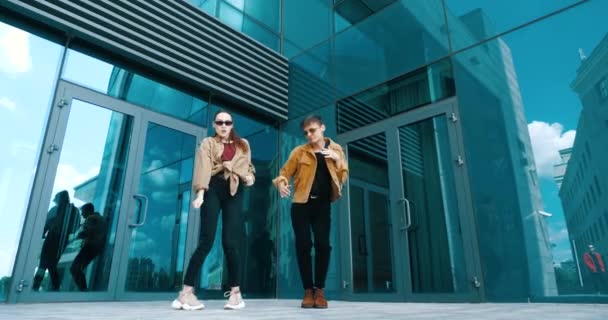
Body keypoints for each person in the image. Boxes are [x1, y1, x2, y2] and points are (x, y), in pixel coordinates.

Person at [172, 110, 255, 310]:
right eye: (220, 122)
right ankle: (185, 293)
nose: (224, 126)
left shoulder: (243, 144)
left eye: (227, 122)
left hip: (235, 190)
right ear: (214, 124)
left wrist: (250, 177)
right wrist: (200, 194)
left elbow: (249, 167)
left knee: (230, 242)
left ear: (232, 124)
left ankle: (235, 295)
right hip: (213, 188)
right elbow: (204, 168)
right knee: (206, 240)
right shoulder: (208, 143)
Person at [273, 115, 348, 309]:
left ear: (322, 128)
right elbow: (283, 173)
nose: (309, 135)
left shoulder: (336, 149)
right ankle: (308, 290)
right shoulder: (299, 152)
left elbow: (344, 175)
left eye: (312, 130)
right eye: (306, 132)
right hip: (301, 205)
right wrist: (281, 184)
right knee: (303, 245)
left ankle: (319, 290)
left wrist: (338, 160)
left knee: (323, 245)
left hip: (323, 205)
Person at [32, 190, 79, 291]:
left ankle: (36, 285)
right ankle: (55, 286)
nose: (55, 202)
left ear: (60, 199)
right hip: (63, 241)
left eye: (56, 200)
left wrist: (41, 235)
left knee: (44, 263)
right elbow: (75, 228)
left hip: (52, 238)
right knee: (53, 264)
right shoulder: (75, 211)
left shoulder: (55, 210)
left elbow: (46, 223)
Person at [70, 203, 107, 291]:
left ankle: (83, 290)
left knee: (74, 268)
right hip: (97, 248)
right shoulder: (101, 219)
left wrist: (72, 239)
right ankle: (84, 290)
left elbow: (85, 231)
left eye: (83, 212)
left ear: (88, 211)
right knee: (78, 269)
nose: (82, 215)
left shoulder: (91, 218)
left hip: (90, 247)